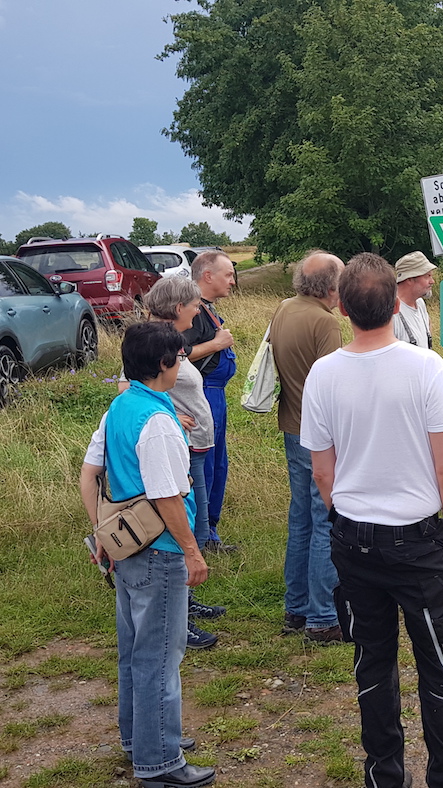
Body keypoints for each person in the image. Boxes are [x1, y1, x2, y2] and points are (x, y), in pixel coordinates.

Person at [301, 254, 443, 788]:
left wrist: (347, 517)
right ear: (394, 302)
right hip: (420, 540)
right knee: (440, 667)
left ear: (344, 306)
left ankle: (383, 775)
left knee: (371, 664)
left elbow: (322, 473)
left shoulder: (323, 374)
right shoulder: (426, 369)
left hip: (354, 540)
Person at [79, 321, 215, 788]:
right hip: (159, 550)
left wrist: (99, 529)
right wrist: (193, 552)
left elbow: (90, 471)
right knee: (160, 654)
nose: (182, 363)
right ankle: (160, 763)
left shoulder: (121, 405)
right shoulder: (158, 422)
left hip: (127, 546)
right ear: (164, 364)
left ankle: (141, 737)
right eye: (179, 357)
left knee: (134, 650)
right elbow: (168, 496)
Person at [120, 277, 227, 650]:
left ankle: (186, 604)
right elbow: (130, 385)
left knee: (196, 518)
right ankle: (178, 613)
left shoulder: (175, 342)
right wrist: (169, 414)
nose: (198, 310)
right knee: (188, 525)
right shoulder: (154, 341)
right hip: (175, 446)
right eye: (194, 305)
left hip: (192, 445)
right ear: (178, 307)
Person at [269, 251, 345, 644]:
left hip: (290, 425)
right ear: (331, 286)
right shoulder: (324, 322)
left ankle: (295, 608)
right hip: (318, 435)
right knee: (324, 522)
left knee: (300, 518)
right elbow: (332, 387)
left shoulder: (284, 309)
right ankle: (323, 616)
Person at [181, 250, 238, 552]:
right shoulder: (192, 312)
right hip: (203, 394)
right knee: (205, 465)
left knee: (219, 464)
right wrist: (216, 344)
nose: (232, 281)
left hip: (217, 396)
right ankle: (202, 535)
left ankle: (210, 530)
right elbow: (180, 354)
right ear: (207, 276)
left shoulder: (207, 309)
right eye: (227, 274)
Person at [391, 251, 435, 349]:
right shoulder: (390, 312)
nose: (432, 281)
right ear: (409, 279)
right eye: (427, 276)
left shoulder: (420, 304)